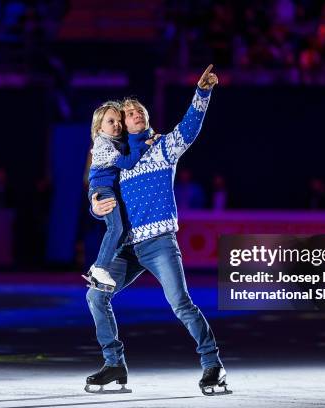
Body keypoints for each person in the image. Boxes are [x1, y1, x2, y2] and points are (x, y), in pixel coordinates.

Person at [85, 65, 231, 396]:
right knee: (95, 296)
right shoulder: (118, 155)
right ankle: (114, 365)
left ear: (147, 118)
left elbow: (190, 128)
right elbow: (101, 190)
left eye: (139, 110)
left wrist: (202, 93)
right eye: (128, 113)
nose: (134, 113)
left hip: (160, 243)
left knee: (180, 303)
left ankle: (213, 365)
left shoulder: (164, 146)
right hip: (126, 247)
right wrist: (95, 205)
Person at [84, 101, 154, 292]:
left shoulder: (116, 141)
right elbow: (128, 162)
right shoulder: (102, 144)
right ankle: (100, 268)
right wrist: (145, 146)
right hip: (103, 189)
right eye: (110, 121)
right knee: (115, 228)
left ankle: (98, 266)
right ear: (99, 128)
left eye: (118, 121)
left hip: (108, 189)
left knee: (120, 230)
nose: (117, 125)